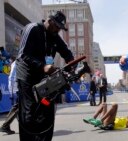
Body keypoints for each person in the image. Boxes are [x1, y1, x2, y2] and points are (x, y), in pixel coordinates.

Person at [16, 11, 74, 141]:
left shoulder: (54, 36)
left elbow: (66, 52)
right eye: (57, 26)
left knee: (46, 110)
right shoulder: (33, 29)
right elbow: (22, 55)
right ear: (50, 21)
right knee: (29, 114)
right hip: (27, 77)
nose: (58, 30)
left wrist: (72, 63)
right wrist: (42, 66)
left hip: (45, 78)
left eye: (60, 28)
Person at [0, 59, 18, 135]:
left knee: (16, 109)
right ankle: (5, 126)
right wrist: (11, 92)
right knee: (17, 108)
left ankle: (6, 126)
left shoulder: (18, 62)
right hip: (16, 90)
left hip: (16, 89)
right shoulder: (17, 63)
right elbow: (11, 78)